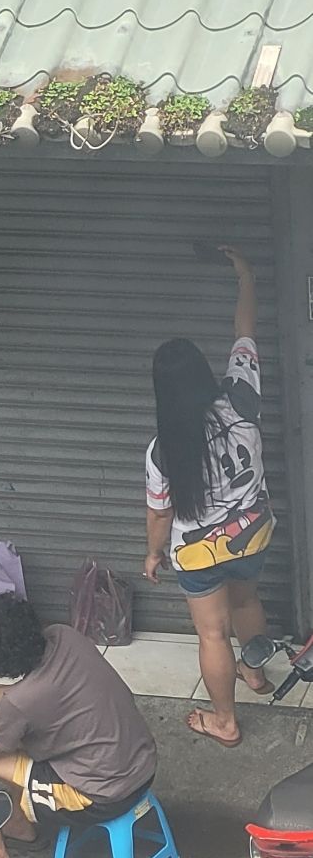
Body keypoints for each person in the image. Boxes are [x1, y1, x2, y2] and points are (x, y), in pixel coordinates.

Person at [144, 245, 274, 748]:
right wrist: (246, 276)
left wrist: (153, 553)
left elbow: (160, 514)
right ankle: (255, 675)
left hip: (199, 553)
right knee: (247, 598)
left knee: (212, 633)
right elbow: (245, 332)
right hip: (254, 533)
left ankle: (225, 721)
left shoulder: (163, 450)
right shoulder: (242, 396)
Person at [0, 593, 157, 858]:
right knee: (17, 739)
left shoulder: (23, 701)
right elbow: (26, 699)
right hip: (141, 764)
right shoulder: (65, 637)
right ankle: (19, 825)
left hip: (101, 796)